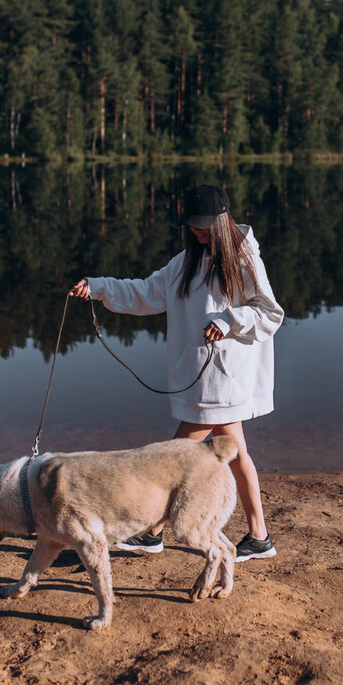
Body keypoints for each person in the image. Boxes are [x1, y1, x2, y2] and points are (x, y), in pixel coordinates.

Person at [69, 184, 284, 561]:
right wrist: (99, 287)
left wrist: (229, 320)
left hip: (222, 378)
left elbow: (270, 313)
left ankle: (152, 532)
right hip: (201, 379)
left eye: (204, 227)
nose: (198, 232)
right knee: (234, 455)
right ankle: (259, 537)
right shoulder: (185, 262)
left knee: (176, 455)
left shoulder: (245, 258)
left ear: (221, 221)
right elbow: (145, 292)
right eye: (193, 227)